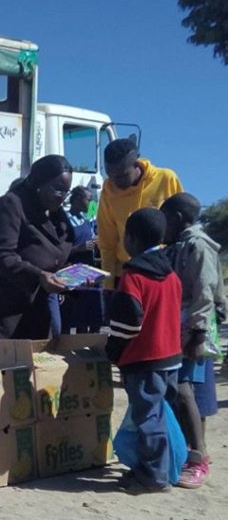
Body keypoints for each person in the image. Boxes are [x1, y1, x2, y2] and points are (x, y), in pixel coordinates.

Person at [0, 155, 74, 368]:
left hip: (34, 305)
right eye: (57, 189)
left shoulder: (53, 213)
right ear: (39, 183)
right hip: (4, 307)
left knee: (31, 372)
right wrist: (38, 275)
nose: (62, 197)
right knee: (2, 372)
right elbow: (1, 253)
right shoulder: (11, 204)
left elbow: (63, 244)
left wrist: (71, 274)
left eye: (66, 192)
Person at [106, 207, 182, 493]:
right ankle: (156, 467)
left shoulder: (134, 277)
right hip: (170, 358)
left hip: (144, 359)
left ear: (132, 239)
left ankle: (154, 477)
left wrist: (113, 350)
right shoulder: (171, 275)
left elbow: (128, 323)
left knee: (148, 419)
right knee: (159, 415)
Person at [162, 193, 225, 488]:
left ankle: (198, 458)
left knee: (190, 392)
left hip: (193, 331)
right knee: (183, 392)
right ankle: (189, 450)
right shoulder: (179, 246)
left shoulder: (197, 246)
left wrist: (198, 333)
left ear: (176, 218)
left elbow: (205, 292)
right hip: (181, 326)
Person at [98, 138, 183, 288]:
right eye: (111, 176)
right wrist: (109, 284)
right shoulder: (108, 191)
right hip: (126, 275)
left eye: (122, 175)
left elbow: (182, 226)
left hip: (162, 272)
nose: (116, 182)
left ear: (136, 164)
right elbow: (107, 243)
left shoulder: (166, 179)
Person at [60, 186, 105, 334]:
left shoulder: (85, 219)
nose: (91, 203)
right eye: (88, 199)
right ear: (79, 199)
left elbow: (91, 237)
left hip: (88, 272)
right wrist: (79, 248)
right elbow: (59, 250)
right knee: (69, 313)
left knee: (89, 313)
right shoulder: (65, 220)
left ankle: (86, 344)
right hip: (72, 272)